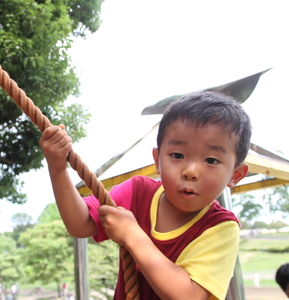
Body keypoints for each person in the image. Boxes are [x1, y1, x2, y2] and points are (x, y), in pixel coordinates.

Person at [39, 91, 251, 300]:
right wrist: (58, 170)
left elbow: (190, 295)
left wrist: (133, 235)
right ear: (157, 160)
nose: (191, 171)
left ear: (236, 174)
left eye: (211, 160)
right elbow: (80, 224)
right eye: (177, 155)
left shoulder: (221, 227)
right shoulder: (137, 192)